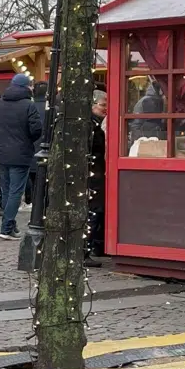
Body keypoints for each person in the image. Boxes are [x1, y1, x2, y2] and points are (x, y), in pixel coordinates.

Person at [0, 74, 43, 241]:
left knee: (6, 191)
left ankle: (10, 226)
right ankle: (6, 228)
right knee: (15, 192)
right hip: (21, 153)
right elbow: (36, 129)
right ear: (27, 87)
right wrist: (27, 140)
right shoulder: (28, 105)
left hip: (1, 153)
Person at [86, 90, 109, 267]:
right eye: (103, 105)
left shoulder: (94, 124)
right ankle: (85, 249)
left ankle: (93, 245)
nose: (106, 108)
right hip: (94, 172)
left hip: (96, 171)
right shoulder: (92, 126)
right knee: (94, 211)